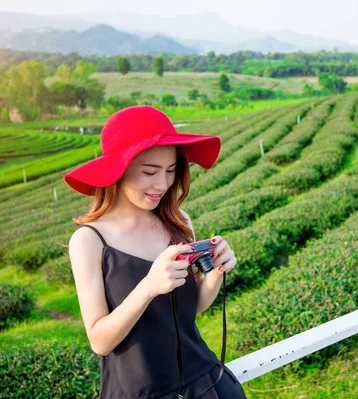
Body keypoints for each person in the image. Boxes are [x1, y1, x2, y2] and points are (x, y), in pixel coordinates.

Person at [64, 105, 247, 399]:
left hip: (205, 383)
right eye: (149, 171)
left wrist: (215, 272)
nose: (162, 184)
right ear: (119, 171)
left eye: (171, 171)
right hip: (139, 391)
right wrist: (148, 287)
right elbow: (100, 341)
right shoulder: (89, 240)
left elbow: (191, 309)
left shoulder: (179, 221)